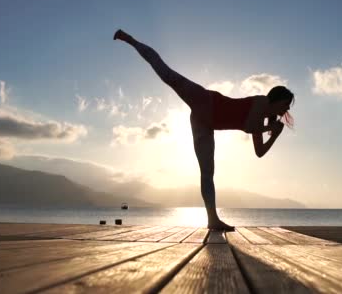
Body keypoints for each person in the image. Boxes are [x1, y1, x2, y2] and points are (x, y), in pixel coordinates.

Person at [114, 29, 294, 231]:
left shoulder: (263, 121)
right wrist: (271, 127)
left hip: (204, 124)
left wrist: (275, 136)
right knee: (167, 74)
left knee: (207, 174)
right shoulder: (262, 103)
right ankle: (129, 39)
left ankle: (212, 220)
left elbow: (259, 152)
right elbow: (249, 127)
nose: (287, 109)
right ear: (277, 99)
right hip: (206, 101)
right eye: (286, 104)